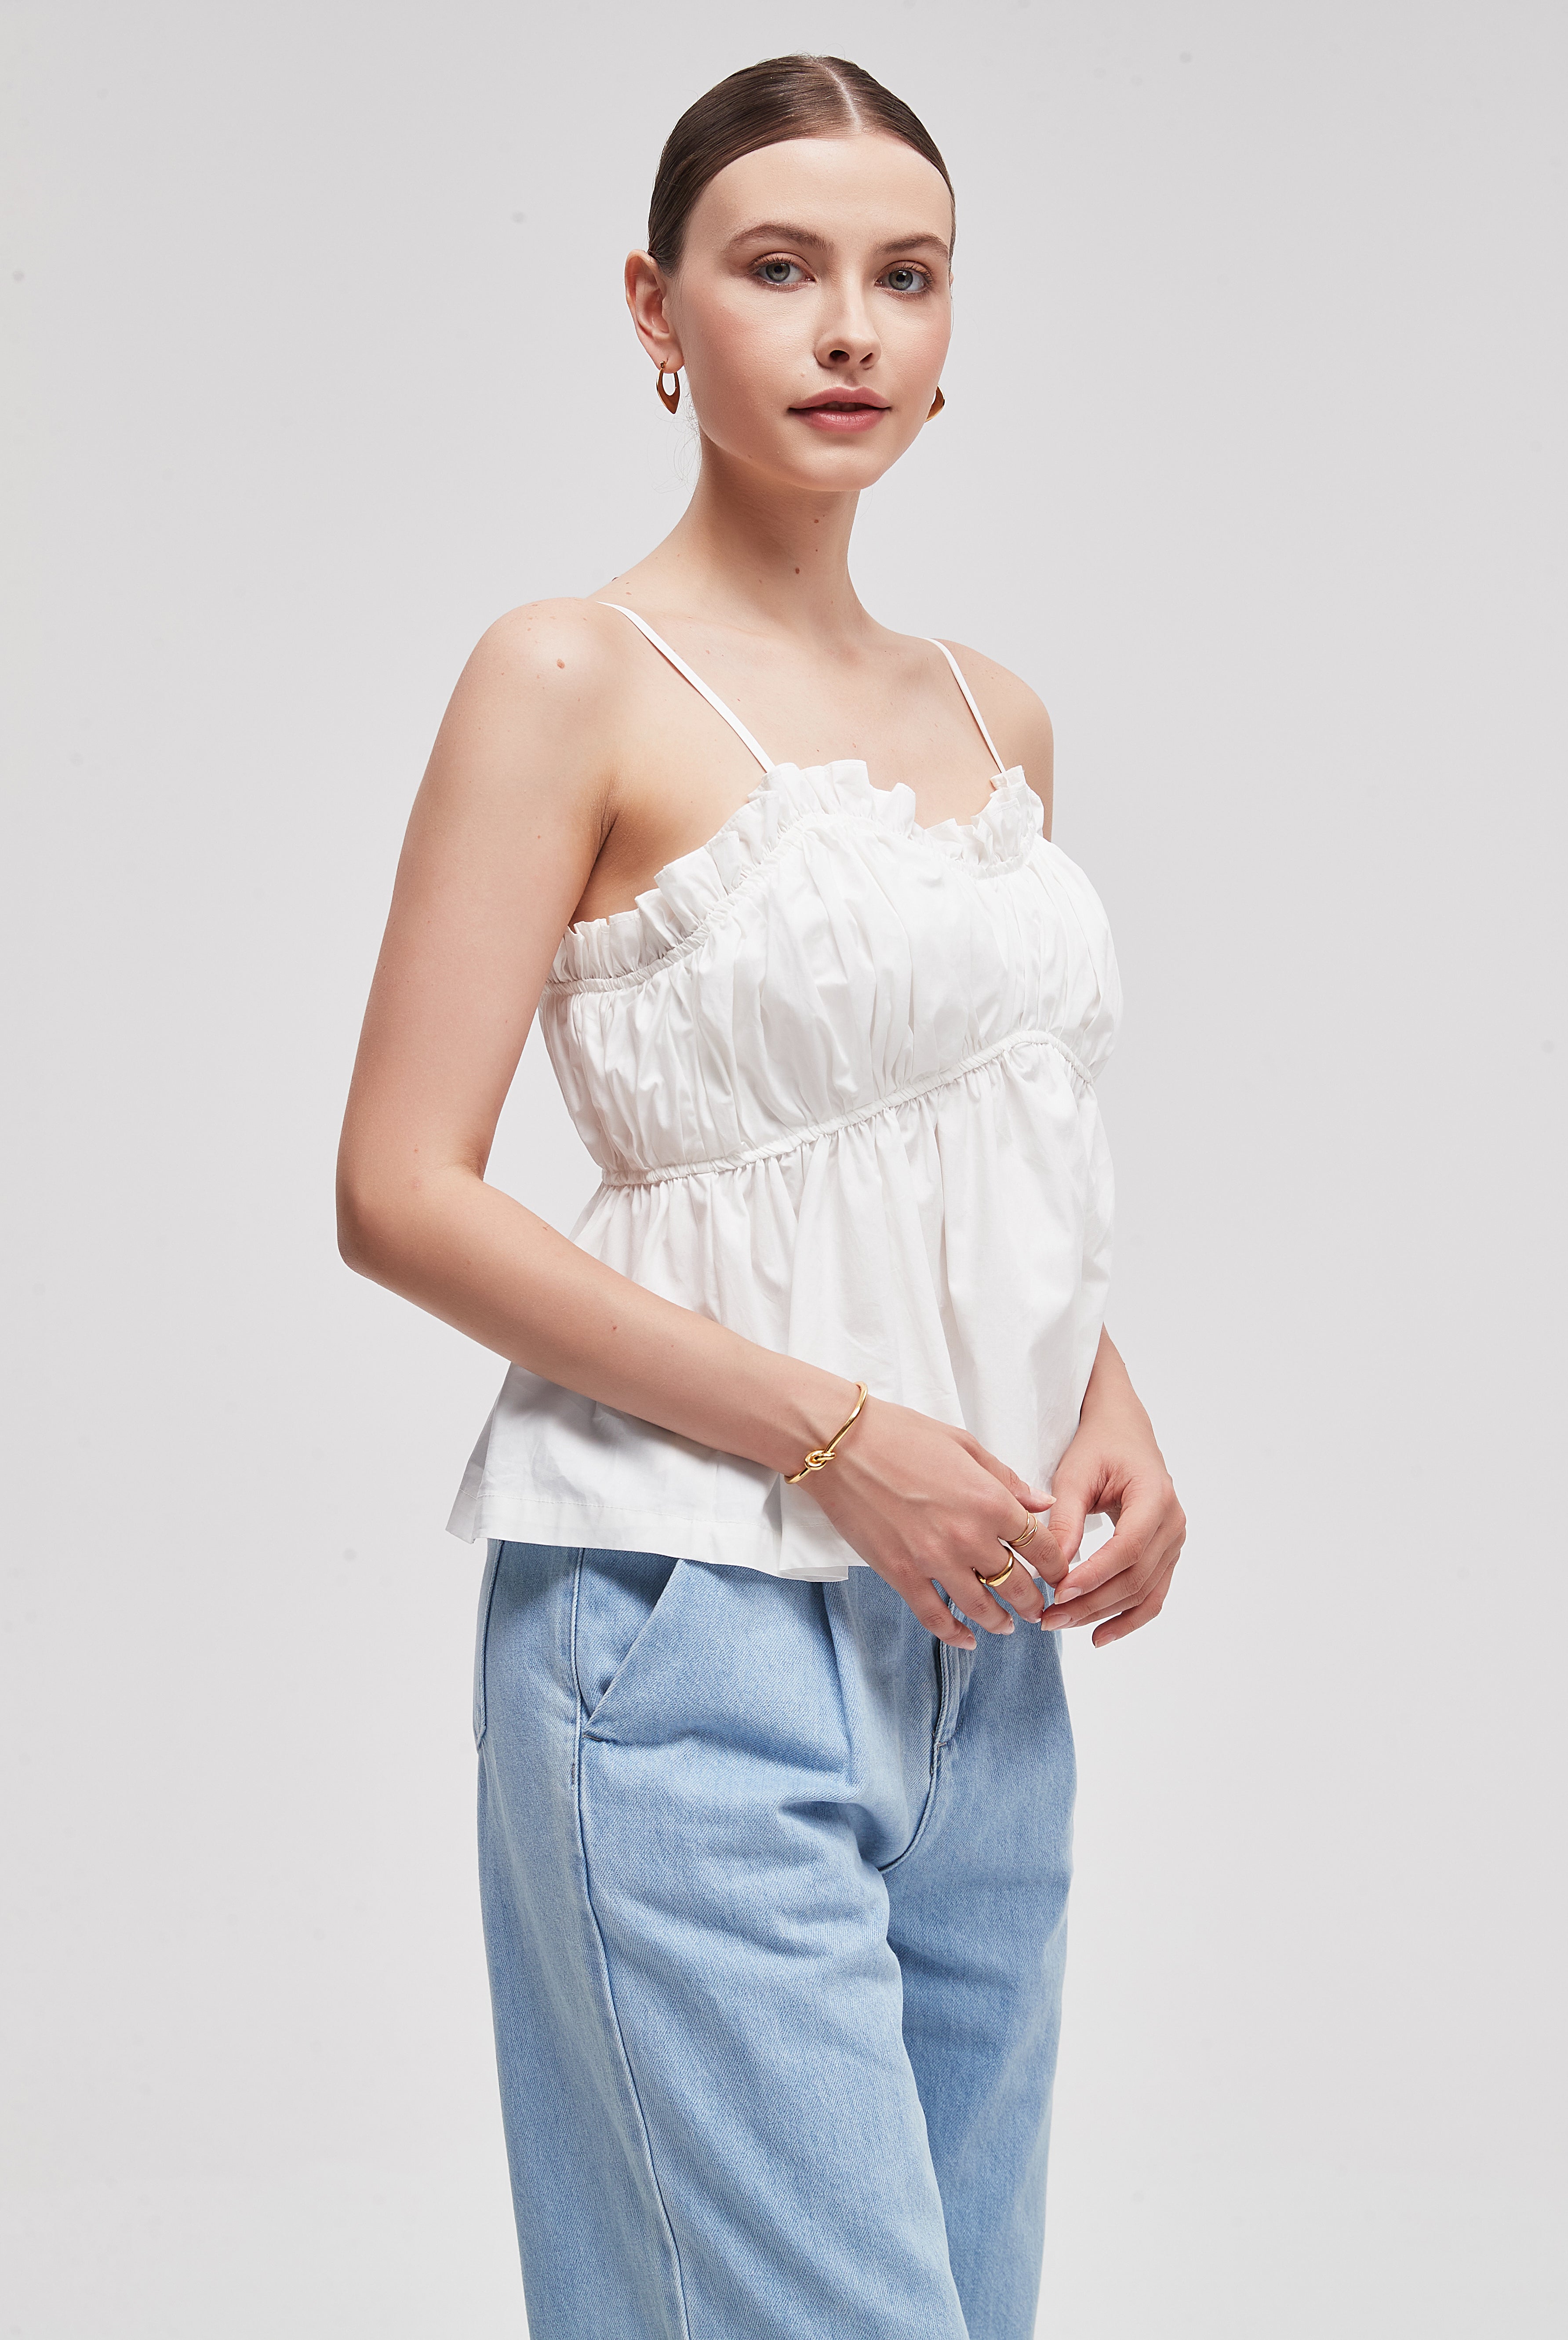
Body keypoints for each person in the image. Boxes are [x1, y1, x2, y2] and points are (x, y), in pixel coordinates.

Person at [337, 51, 1185, 2340]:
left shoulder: (993, 715)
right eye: (782, 268)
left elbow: (970, 1132)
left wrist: (1098, 1393)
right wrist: (838, 1438)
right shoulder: (569, 676)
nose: (849, 331)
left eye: (906, 278)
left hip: (982, 1633)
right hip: (686, 1616)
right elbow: (399, 1191)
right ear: (657, 308)